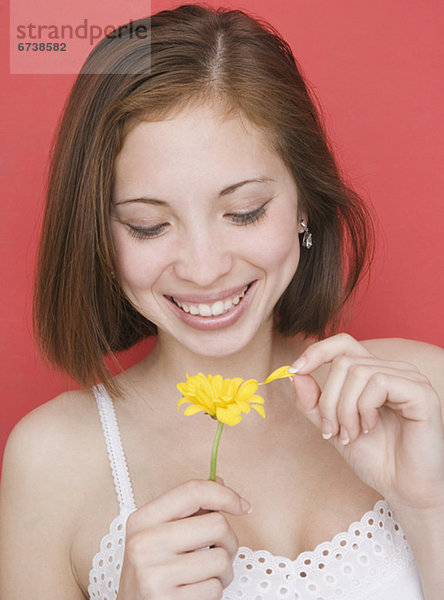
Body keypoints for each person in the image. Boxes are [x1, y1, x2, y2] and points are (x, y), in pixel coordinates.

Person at [0, 4, 443, 599]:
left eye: (245, 212)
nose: (204, 268)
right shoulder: (50, 462)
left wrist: (430, 511)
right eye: (149, 225)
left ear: (304, 203)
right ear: (99, 234)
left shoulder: (422, 396)